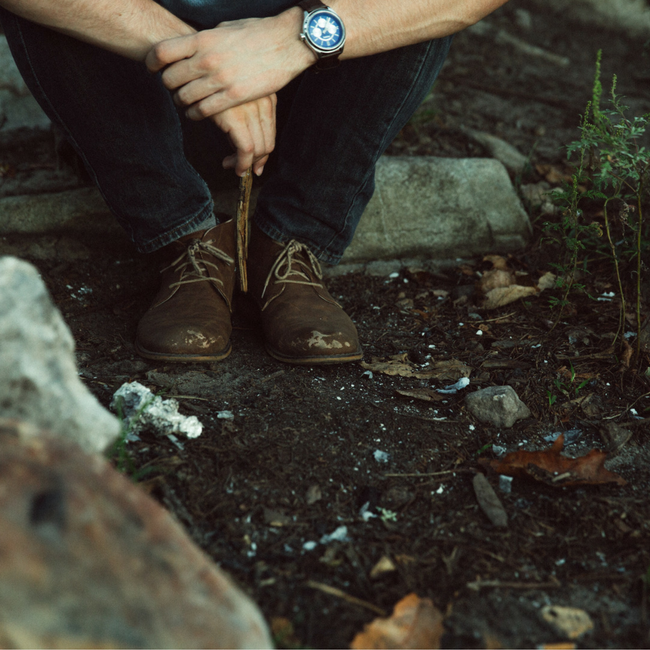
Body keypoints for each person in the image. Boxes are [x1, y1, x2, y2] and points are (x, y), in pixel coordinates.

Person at [0, 0, 507, 364]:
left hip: (310, 102)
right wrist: (211, 62)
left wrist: (293, 40)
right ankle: (186, 241)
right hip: (139, 97)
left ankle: (290, 242)